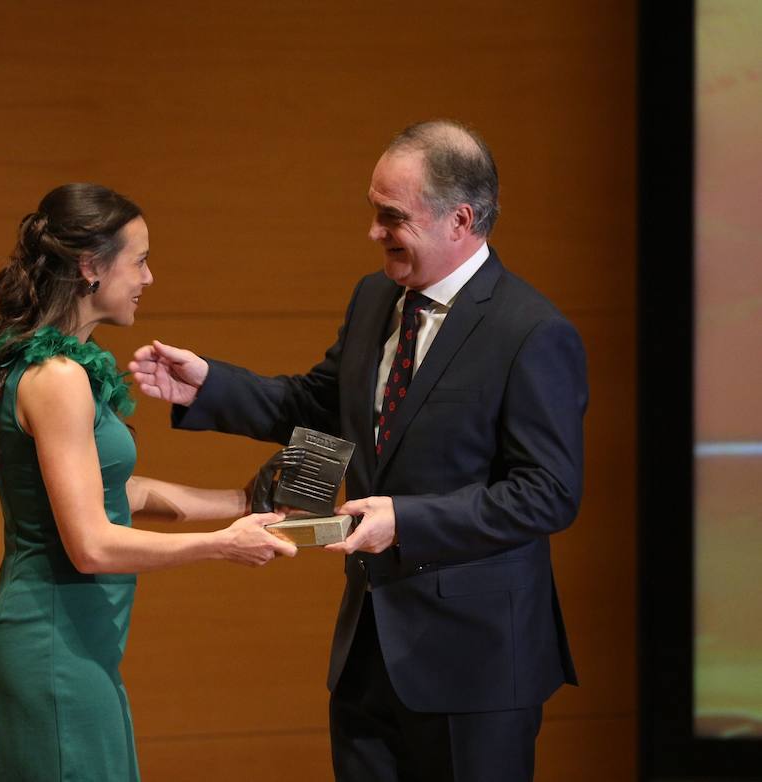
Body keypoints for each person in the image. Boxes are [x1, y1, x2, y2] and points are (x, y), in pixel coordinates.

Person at [129, 121, 588, 781]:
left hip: (477, 666)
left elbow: (548, 492)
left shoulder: (533, 331)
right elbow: (323, 407)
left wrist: (407, 520)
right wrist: (211, 385)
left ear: (459, 219)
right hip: (368, 653)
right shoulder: (375, 298)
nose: (374, 232)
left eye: (391, 217)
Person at [0, 183, 296, 782]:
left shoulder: (63, 369)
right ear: (91, 267)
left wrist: (243, 501)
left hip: (75, 638)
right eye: (139, 260)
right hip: (53, 639)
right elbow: (90, 544)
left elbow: (117, 491)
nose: (150, 276)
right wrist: (225, 543)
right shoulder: (58, 377)